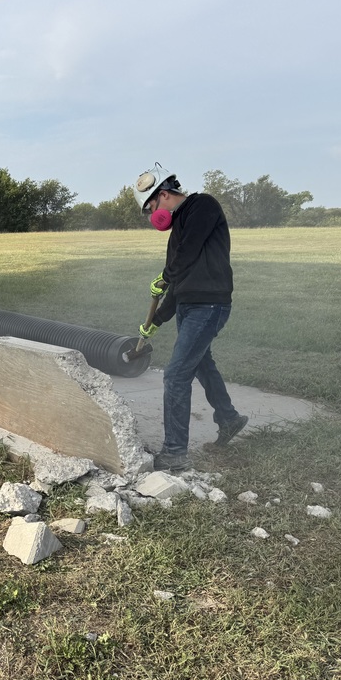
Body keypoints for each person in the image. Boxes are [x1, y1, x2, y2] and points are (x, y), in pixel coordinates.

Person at [133, 163, 248, 471]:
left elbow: (185, 258)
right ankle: (229, 418)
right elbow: (179, 285)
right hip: (190, 306)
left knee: (176, 375)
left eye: (150, 208)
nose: (151, 217)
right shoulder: (177, 233)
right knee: (201, 364)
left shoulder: (203, 206)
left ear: (165, 194)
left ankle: (174, 452)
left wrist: (164, 275)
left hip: (209, 306)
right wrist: (155, 322)